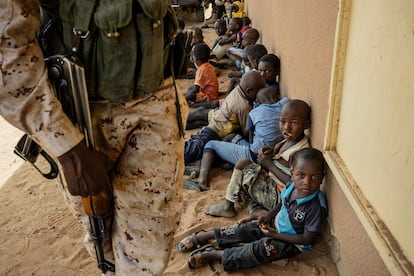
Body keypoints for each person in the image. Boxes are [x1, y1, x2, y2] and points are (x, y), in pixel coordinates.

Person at [0, 1, 188, 275]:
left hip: (157, 101)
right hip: (82, 115)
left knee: (148, 249)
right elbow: (7, 46)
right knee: (100, 234)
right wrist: (67, 148)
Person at [177, 147, 328, 272]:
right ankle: (206, 235)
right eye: (301, 175)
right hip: (276, 226)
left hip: (291, 242)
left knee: (258, 250)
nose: (306, 182)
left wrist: (276, 235)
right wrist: (268, 217)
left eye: (314, 177)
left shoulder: (315, 206)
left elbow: (306, 239)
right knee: (245, 229)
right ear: (292, 171)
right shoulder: (291, 185)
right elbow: (282, 204)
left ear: (322, 177)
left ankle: (215, 254)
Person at [205, 99, 311, 218]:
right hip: (272, 187)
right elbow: (281, 161)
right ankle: (256, 209)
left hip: (278, 196)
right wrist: (271, 154)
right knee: (246, 177)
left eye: (294, 123)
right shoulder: (290, 139)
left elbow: (295, 184)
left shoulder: (301, 154)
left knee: (242, 164)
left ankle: (227, 206)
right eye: (282, 121)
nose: (286, 127)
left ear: (306, 125)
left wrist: (269, 164)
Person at [184, 88, 288, 191]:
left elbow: (249, 134)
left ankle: (202, 180)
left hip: (255, 154)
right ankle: (209, 164)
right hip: (271, 153)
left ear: (258, 102)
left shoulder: (255, 112)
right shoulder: (285, 105)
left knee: (211, 145)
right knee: (231, 137)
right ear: (277, 97)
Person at [184, 70, 266, 165]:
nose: (260, 96)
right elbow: (247, 131)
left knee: (195, 147)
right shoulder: (244, 106)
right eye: (258, 93)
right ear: (249, 91)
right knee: (191, 152)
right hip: (215, 133)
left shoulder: (238, 90)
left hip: (214, 126)